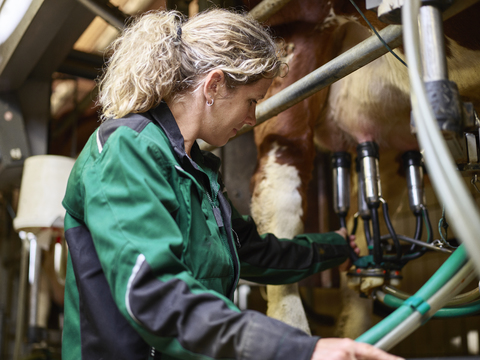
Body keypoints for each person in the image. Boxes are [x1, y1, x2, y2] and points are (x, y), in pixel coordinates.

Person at [61, 8, 403, 360]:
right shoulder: (126, 150)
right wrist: (300, 349)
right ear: (213, 85)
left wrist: (338, 247)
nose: (253, 117)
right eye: (251, 101)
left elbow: (253, 251)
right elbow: (153, 295)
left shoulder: (195, 168)